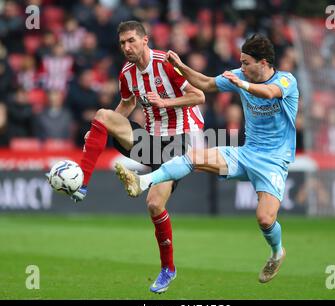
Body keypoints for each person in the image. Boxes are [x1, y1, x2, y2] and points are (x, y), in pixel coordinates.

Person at [115, 34, 299, 284]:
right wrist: (180, 66)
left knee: (265, 219)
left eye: (246, 63)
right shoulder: (240, 75)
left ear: (263, 62)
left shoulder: (286, 80)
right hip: (245, 152)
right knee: (192, 157)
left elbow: (268, 92)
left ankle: (277, 252)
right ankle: (143, 181)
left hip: (274, 160)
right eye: (241, 63)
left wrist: (241, 84)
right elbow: (205, 83)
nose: (242, 67)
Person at [49, 21, 205, 293]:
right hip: (152, 141)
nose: (127, 47)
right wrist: (101, 130)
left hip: (181, 142)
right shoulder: (127, 73)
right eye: (122, 43)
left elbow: (199, 95)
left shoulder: (166, 63)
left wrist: (165, 102)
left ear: (146, 40)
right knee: (101, 116)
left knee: (155, 205)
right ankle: (82, 183)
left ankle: (168, 268)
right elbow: (128, 103)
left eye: (132, 40)